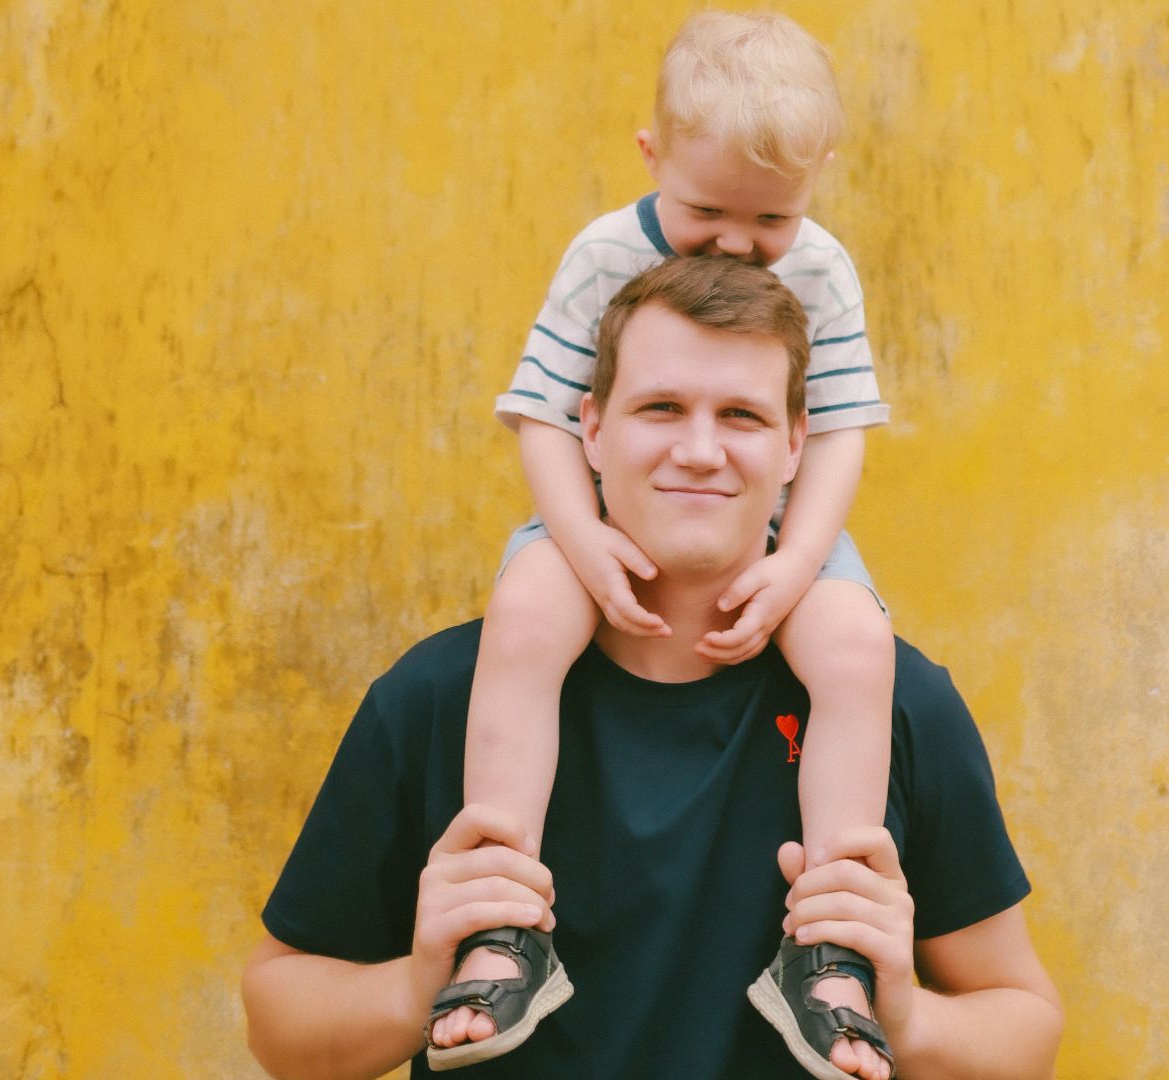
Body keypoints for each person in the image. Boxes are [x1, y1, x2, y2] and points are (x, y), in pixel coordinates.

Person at [242, 257, 1062, 1080]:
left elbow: (1026, 1032)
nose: (700, 450)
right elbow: (281, 1028)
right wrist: (421, 983)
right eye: (661, 407)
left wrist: (907, 1017)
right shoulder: (438, 696)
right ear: (592, 431)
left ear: (794, 445)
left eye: (740, 415)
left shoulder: (893, 699)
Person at [458, 12, 897, 1068]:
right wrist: (581, 538)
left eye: (771, 220)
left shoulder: (825, 270)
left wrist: (799, 563)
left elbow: (835, 432)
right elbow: (546, 414)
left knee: (855, 649)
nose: (738, 244)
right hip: (598, 516)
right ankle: (498, 921)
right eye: (706, 210)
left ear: (817, 182)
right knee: (523, 617)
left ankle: (830, 948)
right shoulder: (605, 253)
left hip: (782, 531)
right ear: (652, 157)